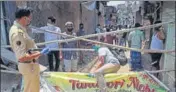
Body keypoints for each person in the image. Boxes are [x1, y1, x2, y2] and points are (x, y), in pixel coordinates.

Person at [9, 8, 50, 92]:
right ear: (24, 18)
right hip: (28, 66)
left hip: (30, 66)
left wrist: (36, 50)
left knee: (32, 88)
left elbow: (27, 47)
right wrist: (40, 53)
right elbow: (22, 57)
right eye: (29, 18)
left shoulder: (20, 29)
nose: (30, 20)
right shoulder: (17, 33)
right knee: (32, 90)